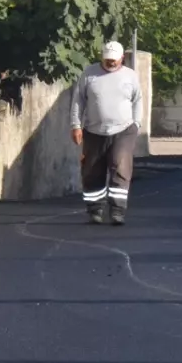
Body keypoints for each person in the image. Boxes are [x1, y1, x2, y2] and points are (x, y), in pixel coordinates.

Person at [71, 41, 143, 225]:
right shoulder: (89, 74)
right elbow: (78, 100)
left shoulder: (130, 76)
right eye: (107, 59)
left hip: (124, 130)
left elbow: (138, 100)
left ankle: (117, 211)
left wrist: (136, 123)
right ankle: (95, 210)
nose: (110, 63)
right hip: (94, 130)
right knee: (92, 170)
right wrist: (76, 125)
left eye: (114, 60)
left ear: (122, 58)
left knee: (120, 166)